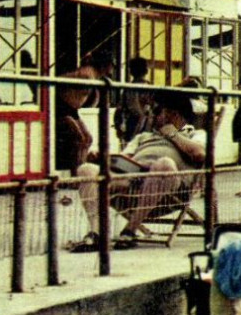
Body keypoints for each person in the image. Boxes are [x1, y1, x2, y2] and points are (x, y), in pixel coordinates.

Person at [69, 90, 207, 251]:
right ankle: (97, 233)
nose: (152, 116)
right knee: (87, 170)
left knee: (164, 164)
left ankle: (130, 230)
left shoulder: (195, 134)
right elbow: (122, 162)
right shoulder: (143, 137)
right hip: (132, 184)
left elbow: (200, 154)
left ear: (173, 114)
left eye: (157, 111)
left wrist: (172, 135)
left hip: (170, 191)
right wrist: (104, 159)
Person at [57, 49, 116, 171]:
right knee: (80, 139)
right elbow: (61, 80)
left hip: (72, 109)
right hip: (61, 107)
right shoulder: (87, 74)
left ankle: (81, 168)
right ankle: (76, 172)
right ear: (105, 65)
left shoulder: (95, 76)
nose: (113, 69)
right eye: (111, 65)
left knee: (88, 138)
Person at [113, 56, 153, 148]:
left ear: (131, 71)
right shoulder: (150, 88)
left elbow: (119, 110)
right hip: (146, 126)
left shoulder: (128, 88)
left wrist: (118, 126)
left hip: (132, 125)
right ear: (146, 70)